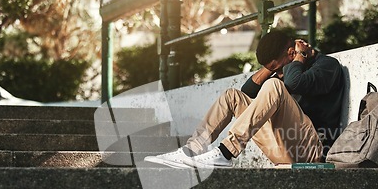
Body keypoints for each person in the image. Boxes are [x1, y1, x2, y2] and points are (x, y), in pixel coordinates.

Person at [144, 30, 344, 168]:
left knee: (274, 85)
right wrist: (271, 67)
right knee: (232, 96)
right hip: (285, 147)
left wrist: (298, 57)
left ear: (292, 53)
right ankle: (191, 150)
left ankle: (226, 153)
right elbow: (247, 92)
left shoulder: (327, 66)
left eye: (276, 66)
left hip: (312, 152)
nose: (276, 72)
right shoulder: (288, 70)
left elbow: (294, 83)